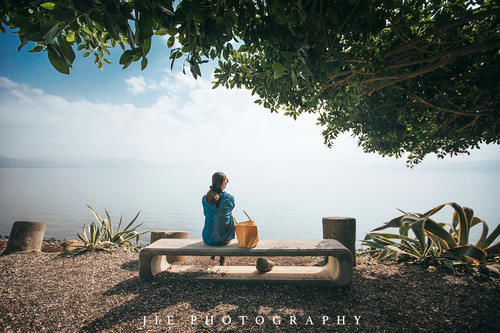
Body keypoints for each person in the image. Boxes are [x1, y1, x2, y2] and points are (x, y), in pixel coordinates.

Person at [202, 171, 235, 265]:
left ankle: (214, 254)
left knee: (213, 219)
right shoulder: (230, 198)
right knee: (228, 218)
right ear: (223, 183)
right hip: (224, 240)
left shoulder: (205, 198)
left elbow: (205, 214)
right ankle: (222, 258)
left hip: (208, 238)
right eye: (227, 181)